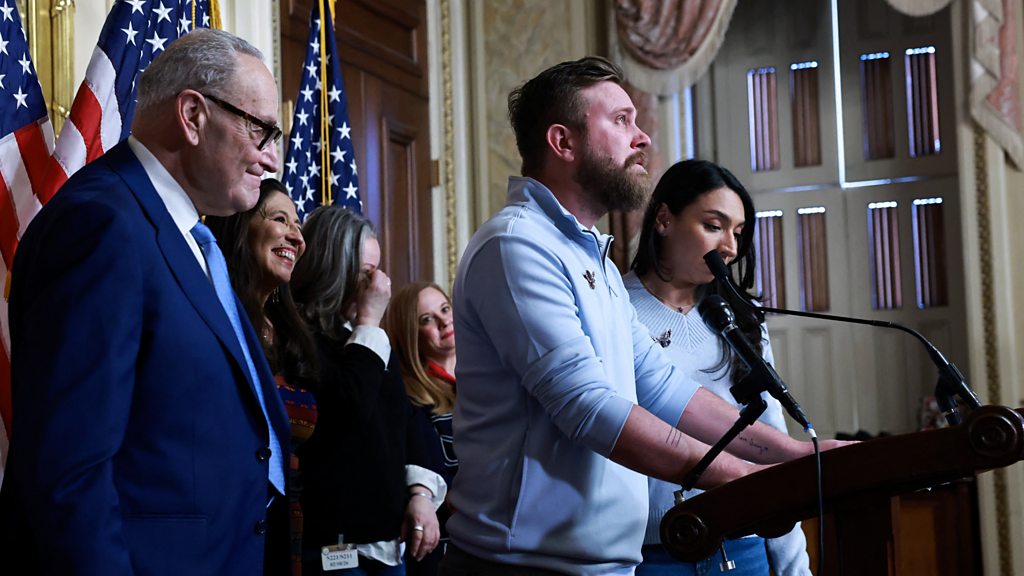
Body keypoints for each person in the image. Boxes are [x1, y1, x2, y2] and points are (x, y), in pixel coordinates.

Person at [444, 56, 850, 575]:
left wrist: (801, 455)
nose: (642, 138)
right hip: (520, 565)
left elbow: (664, 390)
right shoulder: (517, 244)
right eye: (620, 121)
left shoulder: (596, 261)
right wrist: (739, 478)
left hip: (604, 564)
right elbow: (587, 405)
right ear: (563, 143)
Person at [0, 29, 290, 574]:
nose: (272, 158)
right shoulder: (101, 224)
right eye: (261, 131)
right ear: (193, 116)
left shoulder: (193, 239)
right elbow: (70, 472)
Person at [625, 159, 811, 575]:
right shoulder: (616, 307)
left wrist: (793, 568)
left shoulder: (743, 318)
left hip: (745, 548)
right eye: (714, 225)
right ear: (664, 219)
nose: (730, 246)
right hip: (650, 555)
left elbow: (773, 448)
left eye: (738, 232)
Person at [291, 206, 444, 576]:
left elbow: (405, 422)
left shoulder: (365, 336)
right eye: (365, 273)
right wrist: (370, 321)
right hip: (334, 548)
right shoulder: (303, 337)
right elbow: (351, 405)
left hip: (387, 546)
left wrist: (421, 495)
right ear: (334, 269)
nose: (378, 284)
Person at [206, 178, 320, 576]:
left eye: (298, 225)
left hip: (286, 528)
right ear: (241, 226)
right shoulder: (216, 315)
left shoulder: (293, 332)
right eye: (280, 219)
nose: (296, 235)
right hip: (227, 524)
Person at [383, 282, 459, 576]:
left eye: (445, 309)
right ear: (410, 334)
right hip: (445, 546)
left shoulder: (487, 378)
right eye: (427, 319)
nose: (444, 321)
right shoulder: (409, 398)